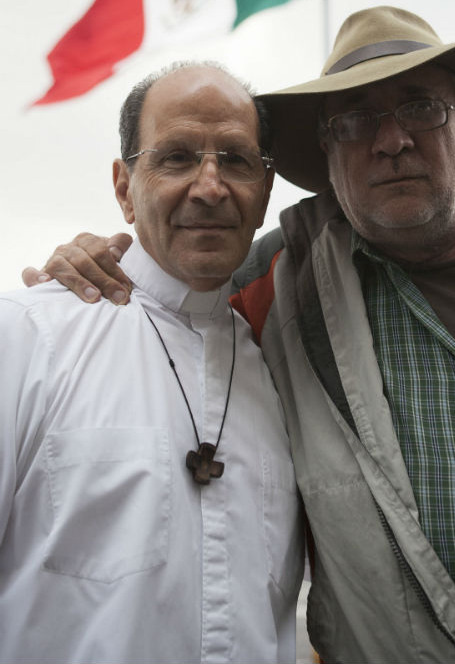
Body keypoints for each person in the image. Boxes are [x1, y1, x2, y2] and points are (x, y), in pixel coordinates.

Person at [24, 7, 455, 664]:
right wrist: (91, 265)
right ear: (330, 155)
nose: (391, 139)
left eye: (421, 106)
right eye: (356, 120)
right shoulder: (275, 283)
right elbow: (175, 283)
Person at [1, 62, 303, 664]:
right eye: (177, 157)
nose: (210, 186)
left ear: (266, 193)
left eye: (237, 160)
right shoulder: (28, 336)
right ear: (123, 187)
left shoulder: (283, 371)